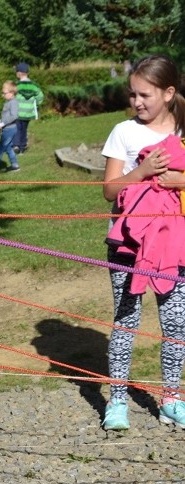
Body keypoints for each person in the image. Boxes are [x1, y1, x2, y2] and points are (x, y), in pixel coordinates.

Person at [100, 54, 185, 431]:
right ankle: (117, 401)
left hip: (174, 242)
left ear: (168, 93)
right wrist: (143, 171)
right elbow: (109, 190)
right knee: (126, 321)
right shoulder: (123, 131)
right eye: (132, 94)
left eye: (145, 95)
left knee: (176, 324)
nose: (137, 102)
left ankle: (172, 399)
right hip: (128, 244)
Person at [13, 62, 44, 154]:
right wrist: (36, 104)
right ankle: (22, 147)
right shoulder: (34, 86)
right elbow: (40, 96)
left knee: (17, 128)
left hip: (18, 112)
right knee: (24, 129)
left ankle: (16, 145)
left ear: (19, 73)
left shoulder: (17, 85)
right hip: (28, 112)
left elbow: (12, 96)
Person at [0, 81, 21, 173]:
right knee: (8, 147)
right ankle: (15, 165)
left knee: (1, 147)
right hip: (7, 128)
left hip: (10, 129)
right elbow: (7, 115)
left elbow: (14, 116)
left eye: (4, 93)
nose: (2, 95)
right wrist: (1, 121)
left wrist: (3, 122)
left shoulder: (13, 102)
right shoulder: (9, 102)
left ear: (11, 93)